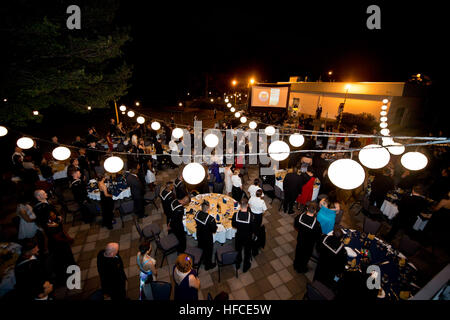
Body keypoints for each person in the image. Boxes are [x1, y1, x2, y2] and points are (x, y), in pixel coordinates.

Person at [44, 210, 75, 285]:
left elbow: (62, 230)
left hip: (62, 241)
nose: (54, 216)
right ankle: (66, 276)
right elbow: (56, 237)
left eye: (54, 214)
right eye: (51, 216)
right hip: (56, 244)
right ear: (48, 218)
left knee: (68, 256)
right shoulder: (49, 226)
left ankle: (72, 268)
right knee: (62, 260)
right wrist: (67, 240)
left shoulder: (57, 220)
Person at [293, 201, 322, 273]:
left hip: (300, 240)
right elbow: (318, 236)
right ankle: (301, 269)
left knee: (298, 252)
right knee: (305, 256)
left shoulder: (299, 217)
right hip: (309, 244)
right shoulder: (316, 225)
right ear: (315, 211)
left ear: (307, 208)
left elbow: (296, 226)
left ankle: (296, 265)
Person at [232, 197, 255, 273]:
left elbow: (233, 225)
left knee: (238, 250)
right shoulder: (250, 216)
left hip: (239, 236)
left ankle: (238, 264)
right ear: (247, 205)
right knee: (247, 252)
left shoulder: (235, 215)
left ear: (239, 205)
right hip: (247, 237)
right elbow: (252, 228)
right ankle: (245, 267)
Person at [194, 201, 217, 270]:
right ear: (208, 209)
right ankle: (208, 265)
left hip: (199, 235)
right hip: (207, 238)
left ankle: (201, 258)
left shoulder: (197, 213)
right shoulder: (211, 219)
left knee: (201, 246)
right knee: (209, 251)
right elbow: (214, 230)